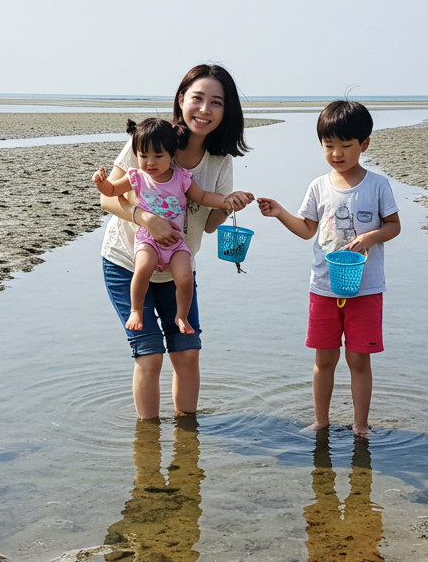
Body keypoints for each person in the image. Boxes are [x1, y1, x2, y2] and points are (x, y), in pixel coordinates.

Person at [99, 65, 254, 421]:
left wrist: (228, 205)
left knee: (187, 354)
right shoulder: (151, 139)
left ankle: (187, 436)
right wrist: (146, 219)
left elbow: (210, 225)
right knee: (149, 354)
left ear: (226, 110)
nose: (204, 109)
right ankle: (148, 437)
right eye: (197, 98)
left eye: (216, 102)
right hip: (128, 260)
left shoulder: (220, 161)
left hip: (177, 264)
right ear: (182, 99)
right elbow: (108, 198)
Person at [256, 101, 400, 436]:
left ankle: (360, 425)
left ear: (364, 144)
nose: (337, 153)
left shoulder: (377, 185)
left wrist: (371, 237)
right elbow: (307, 229)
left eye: (345, 146)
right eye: (329, 145)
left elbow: (394, 226)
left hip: (366, 288)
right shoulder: (319, 186)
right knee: (324, 360)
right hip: (323, 287)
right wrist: (280, 212)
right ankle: (321, 421)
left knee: (359, 360)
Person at [94, 118, 251, 335]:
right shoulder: (137, 177)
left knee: (185, 278)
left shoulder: (181, 177)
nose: (150, 163)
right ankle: (136, 311)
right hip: (148, 240)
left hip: (176, 243)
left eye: (158, 156)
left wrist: (226, 201)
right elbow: (111, 192)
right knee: (143, 269)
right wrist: (101, 182)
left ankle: (181, 316)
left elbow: (203, 196)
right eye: (143, 156)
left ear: (172, 155)